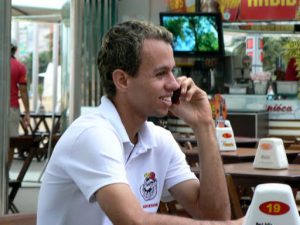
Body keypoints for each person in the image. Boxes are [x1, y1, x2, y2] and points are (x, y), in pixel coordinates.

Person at [37, 20, 243, 225]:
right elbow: (134, 221)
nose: (174, 83)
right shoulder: (92, 134)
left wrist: (204, 125)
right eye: (161, 73)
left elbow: (214, 216)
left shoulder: (160, 140)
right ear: (122, 80)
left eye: (173, 71)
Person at [8, 39, 30, 166]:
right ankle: (5, 173)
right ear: (15, 50)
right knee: (11, 143)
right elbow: (23, 91)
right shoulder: (19, 67)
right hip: (12, 108)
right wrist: (27, 112)